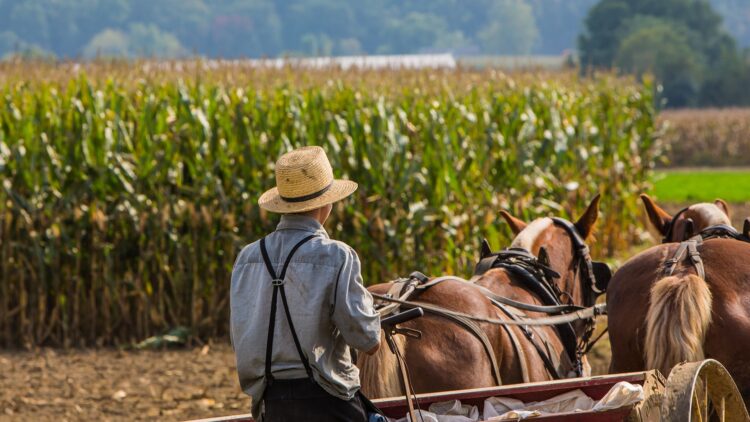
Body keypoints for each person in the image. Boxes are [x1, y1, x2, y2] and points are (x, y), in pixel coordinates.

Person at [230, 146, 381, 421]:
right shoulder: (337, 256)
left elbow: (241, 337)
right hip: (328, 403)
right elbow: (368, 340)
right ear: (328, 203)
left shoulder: (247, 258)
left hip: (270, 405)